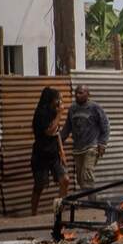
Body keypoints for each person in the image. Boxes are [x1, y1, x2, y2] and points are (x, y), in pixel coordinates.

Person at [61, 84, 110, 190]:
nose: (77, 95)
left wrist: (102, 144)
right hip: (78, 149)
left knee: (87, 174)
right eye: (76, 93)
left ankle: (92, 203)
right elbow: (67, 128)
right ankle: (89, 202)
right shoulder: (73, 108)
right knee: (80, 178)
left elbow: (105, 126)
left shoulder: (95, 107)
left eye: (80, 93)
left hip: (91, 147)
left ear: (88, 94)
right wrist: (58, 141)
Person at [30, 86, 69, 216]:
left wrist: (62, 152)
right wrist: (59, 114)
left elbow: (56, 132)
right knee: (39, 185)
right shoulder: (41, 114)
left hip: (53, 154)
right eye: (57, 99)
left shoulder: (53, 112)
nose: (59, 101)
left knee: (65, 180)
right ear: (51, 100)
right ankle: (33, 214)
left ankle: (59, 211)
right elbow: (49, 131)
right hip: (41, 155)